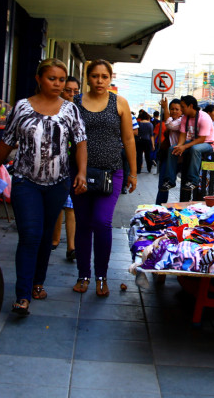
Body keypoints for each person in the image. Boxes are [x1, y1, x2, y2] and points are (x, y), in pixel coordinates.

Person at [0, 58, 87, 316]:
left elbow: (81, 141)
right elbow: (7, 142)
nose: (57, 84)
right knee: (30, 234)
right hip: (25, 181)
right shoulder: (22, 107)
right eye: (52, 78)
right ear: (39, 79)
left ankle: (38, 282)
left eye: (61, 80)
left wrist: (82, 172)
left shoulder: (70, 109)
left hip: (58, 182)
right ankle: (22, 295)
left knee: (44, 237)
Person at [71, 59, 137, 297]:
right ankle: (83, 275)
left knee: (101, 222)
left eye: (104, 76)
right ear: (87, 77)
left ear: (111, 78)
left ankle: (101, 276)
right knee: (83, 224)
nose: (99, 81)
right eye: (95, 76)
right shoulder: (75, 103)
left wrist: (133, 172)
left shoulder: (119, 103)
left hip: (111, 173)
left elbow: (129, 140)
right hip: (80, 173)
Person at [51, 75, 81, 260]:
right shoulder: (52, 108)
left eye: (75, 91)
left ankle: (71, 247)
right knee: (56, 204)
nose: (71, 94)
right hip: (53, 164)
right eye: (68, 90)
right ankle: (54, 240)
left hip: (73, 164)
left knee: (70, 206)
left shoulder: (78, 110)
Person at [160, 95, 214, 192]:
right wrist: (179, 146)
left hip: (207, 143)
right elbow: (182, 135)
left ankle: (193, 181)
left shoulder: (204, 118)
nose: (181, 109)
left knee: (195, 149)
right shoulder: (185, 117)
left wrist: (184, 146)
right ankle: (170, 181)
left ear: (190, 106)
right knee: (173, 149)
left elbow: (201, 139)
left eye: (182, 106)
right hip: (194, 142)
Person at [155, 97, 182, 205]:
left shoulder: (182, 122)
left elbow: (169, 125)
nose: (174, 111)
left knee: (184, 187)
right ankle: (159, 210)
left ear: (182, 111)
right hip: (169, 157)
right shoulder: (172, 121)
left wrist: (165, 107)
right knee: (163, 185)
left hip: (182, 159)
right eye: (172, 109)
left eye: (177, 109)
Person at [122, 114, 139, 194]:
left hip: (125, 148)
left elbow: (136, 132)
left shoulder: (130, 116)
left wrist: (123, 132)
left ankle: (124, 186)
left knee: (126, 169)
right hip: (113, 149)